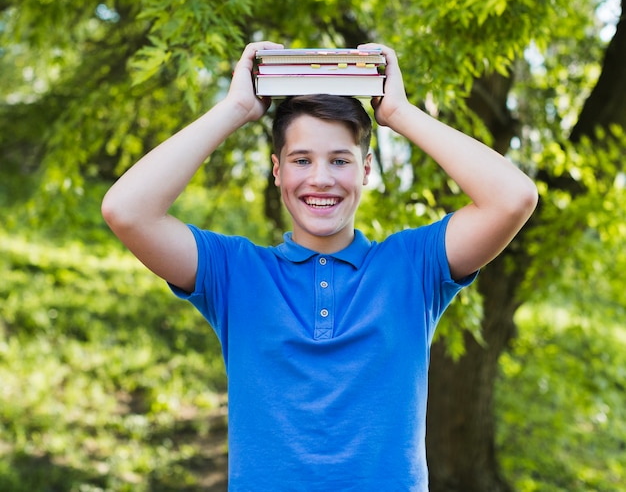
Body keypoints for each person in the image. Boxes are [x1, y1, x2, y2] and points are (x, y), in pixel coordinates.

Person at [101, 41, 538, 491]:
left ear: (366, 169)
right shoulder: (233, 272)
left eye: (340, 160)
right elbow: (126, 210)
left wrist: (400, 114)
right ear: (277, 170)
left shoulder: (413, 266)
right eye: (302, 160)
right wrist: (234, 109)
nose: (321, 178)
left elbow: (513, 198)